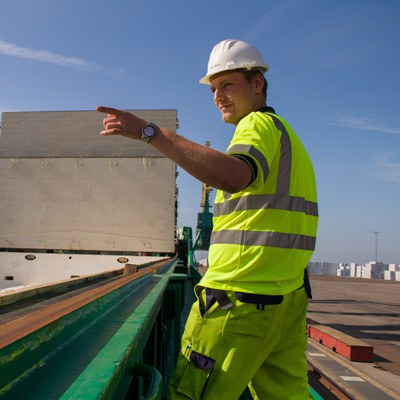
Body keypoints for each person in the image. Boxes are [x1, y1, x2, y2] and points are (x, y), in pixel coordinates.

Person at [97, 39, 318, 400]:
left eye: (227, 85)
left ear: (257, 83)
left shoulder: (257, 125)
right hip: (287, 300)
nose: (218, 97)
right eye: (213, 89)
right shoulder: (289, 139)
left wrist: (152, 133)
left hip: (240, 301)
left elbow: (234, 175)